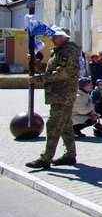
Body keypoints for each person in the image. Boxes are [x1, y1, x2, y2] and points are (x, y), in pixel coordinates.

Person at [26, 27, 81, 169]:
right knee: (65, 126)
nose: (51, 39)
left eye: (55, 36)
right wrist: (36, 63)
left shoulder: (69, 51)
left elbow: (62, 74)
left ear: (64, 37)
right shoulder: (59, 51)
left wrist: (38, 79)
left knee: (53, 126)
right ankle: (70, 155)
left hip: (63, 95)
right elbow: (51, 71)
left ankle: (45, 158)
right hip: (59, 95)